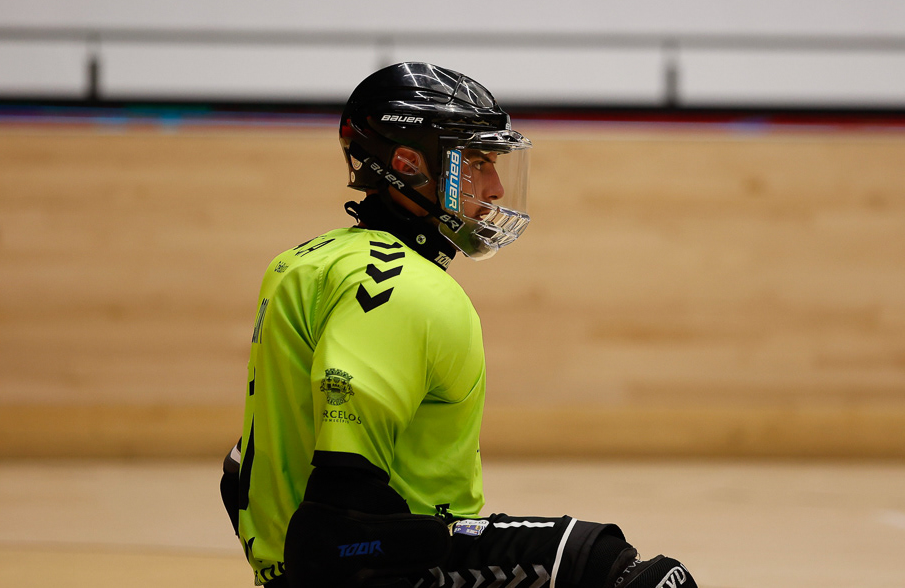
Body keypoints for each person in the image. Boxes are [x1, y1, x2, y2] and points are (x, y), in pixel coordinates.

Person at [221, 63, 698, 588]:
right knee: (639, 576)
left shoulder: (306, 261)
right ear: (408, 164)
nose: (496, 187)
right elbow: (339, 528)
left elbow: (242, 469)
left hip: (304, 568)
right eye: (477, 161)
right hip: (369, 573)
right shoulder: (399, 286)